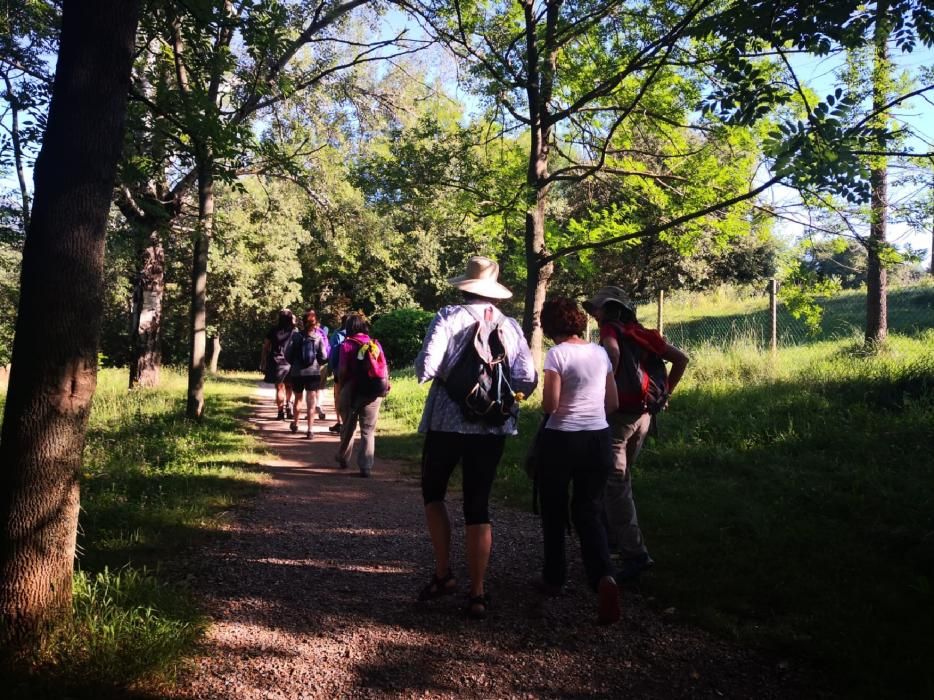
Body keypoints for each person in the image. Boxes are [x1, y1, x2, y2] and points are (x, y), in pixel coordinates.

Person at [413, 255, 537, 620]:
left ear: (465, 286)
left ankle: (443, 574)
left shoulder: (448, 317)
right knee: (478, 503)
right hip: (492, 427)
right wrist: (497, 401)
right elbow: (527, 377)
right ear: (494, 291)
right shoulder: (510, 325)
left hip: (446, 424)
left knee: (433, 492)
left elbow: (426, 368)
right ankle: (478, 593)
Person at [583, 286, 689, 580]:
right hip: (644, 416)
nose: (593, 314)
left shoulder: (610, 331)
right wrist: (665, 394)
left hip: (618, 417)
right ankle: (611, 540)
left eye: (597, 309)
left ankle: (636, 554)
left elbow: (613, 356)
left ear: (607, 310)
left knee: (617, 483)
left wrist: (600, 390)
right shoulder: (643, 334)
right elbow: (681, 359)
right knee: (619, 479)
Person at [538, 297, 620, 624]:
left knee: (554, 510)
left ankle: (554, 579)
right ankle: (603, 578)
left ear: (550, 326)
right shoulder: (600, 352)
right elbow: (612, 402)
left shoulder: (557, 355)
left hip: (561, 439)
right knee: (589, 510)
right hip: (599, 438)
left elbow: (550, 405)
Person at [335, 313, 386, 477]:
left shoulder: (346, 345)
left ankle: (343, 457)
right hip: (374, 389)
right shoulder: (374, 343)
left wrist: (341, 387)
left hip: (354, 389)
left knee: (349, 425)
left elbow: (342, 371)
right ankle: (366, 467)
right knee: (368, 430)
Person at [288, 310, 329, 438]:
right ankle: (310, 430)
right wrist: (318, 363)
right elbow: (324, 356)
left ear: (303, 322)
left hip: (297, 373)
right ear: (315, 323)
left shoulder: (295, 336)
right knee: (311, 401)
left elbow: (287, 354)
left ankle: (295, 423)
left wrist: (294, 364)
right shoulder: (318, 337)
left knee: (298, 399)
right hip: (313, 373)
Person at [260, 309, 296, 420]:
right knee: (290, 387)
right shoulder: (294, 331)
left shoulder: (273, 330)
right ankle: (289, 405)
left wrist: (263, 360)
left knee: (279, 388)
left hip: (277, 362)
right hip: (291, 363)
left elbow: (265, 347)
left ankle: (280, 412)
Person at [327, 316, 349, 434]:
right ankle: (349, 422)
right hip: (354, 373)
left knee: (338, 396)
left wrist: (332, 369)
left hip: (340, 371)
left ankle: (340, 422)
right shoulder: (359, 334)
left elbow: (333, 354)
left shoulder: (338, 334)